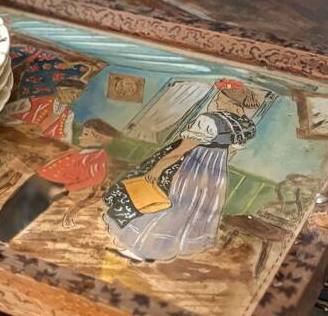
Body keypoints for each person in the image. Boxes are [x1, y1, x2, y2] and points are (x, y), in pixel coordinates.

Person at [103, 109, 256, 264]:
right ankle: (157, 250)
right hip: (213, 179)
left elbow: (178, 152)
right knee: (188, 213)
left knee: (170, 209)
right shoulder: (230, 129)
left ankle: (140, 250)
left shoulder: (209, 122)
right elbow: (223, 155)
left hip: (191, 174)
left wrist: (156, 170)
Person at [0, 118, 116, 243]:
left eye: (86, 134)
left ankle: (1, 236)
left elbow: (95, 178)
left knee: (26, 210)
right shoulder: (77, 151)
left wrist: (65, 189)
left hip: (53, 185)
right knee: (14, 202)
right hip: (40, 177)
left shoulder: (97, 159)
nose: (81, 136)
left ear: (99, 138)